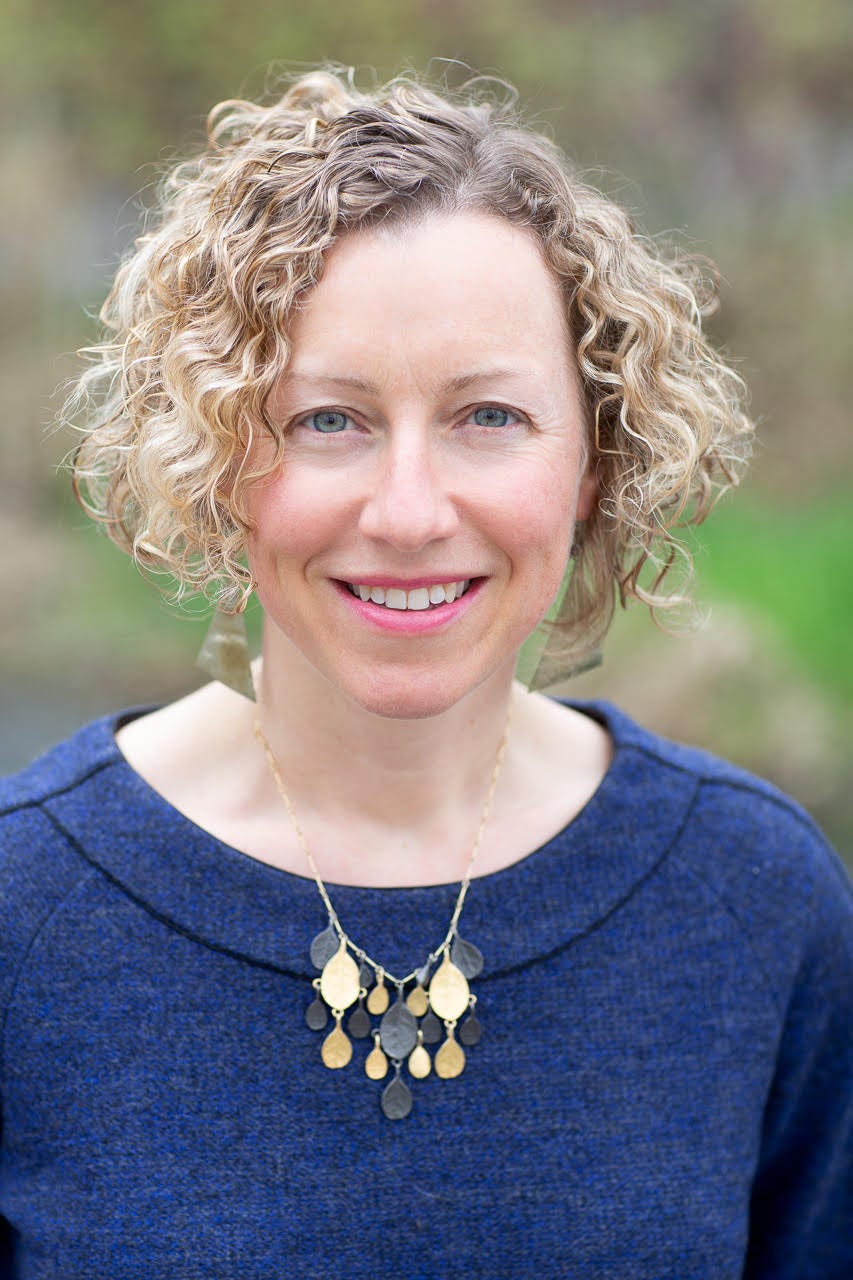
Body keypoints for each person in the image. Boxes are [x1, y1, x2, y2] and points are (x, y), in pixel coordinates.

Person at [0, 67, 850, 1279]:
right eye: (326, 420)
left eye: (487, 416)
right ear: (215, 458)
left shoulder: (760, 902)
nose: (407, 511)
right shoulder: (22, 909)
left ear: (596, 460)